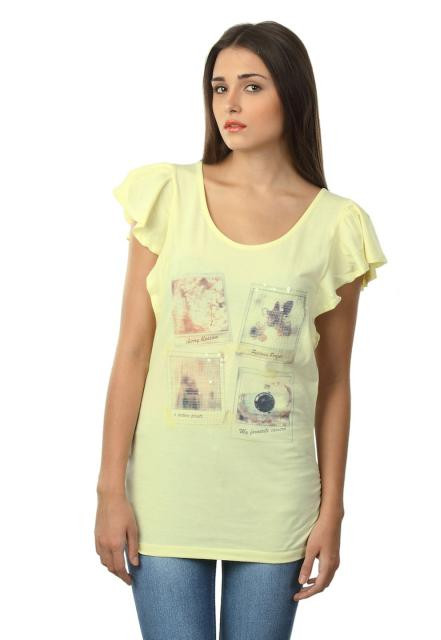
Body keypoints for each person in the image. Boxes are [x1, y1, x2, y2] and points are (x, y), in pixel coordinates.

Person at [94, 20, 388, 640]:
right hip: (166, 497)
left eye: (252, 86)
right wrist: (109, 490)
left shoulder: (337, 226)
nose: (229, 103)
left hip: (276, 502)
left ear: (292, 94)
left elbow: (334, 382)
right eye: (219, 86)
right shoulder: (167, 196)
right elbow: (133, 352)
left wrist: (332, 509)